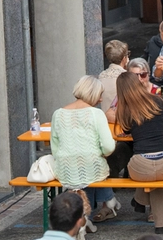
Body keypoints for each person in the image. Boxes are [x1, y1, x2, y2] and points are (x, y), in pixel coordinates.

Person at [115, 73, 163, 232]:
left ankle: (140, 199)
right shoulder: (160, 101)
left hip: (141, 167)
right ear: (139, 82)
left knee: (150, 171)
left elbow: (126, 131)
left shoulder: (125, 110)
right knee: (157, 174)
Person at [48, 75, 119, 221]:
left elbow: (54, 147)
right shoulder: (97, 114)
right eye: (100, 95)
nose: (100, 100)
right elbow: (108, 147)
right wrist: (101, 154)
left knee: (85, 166)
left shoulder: (58, 114)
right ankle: (109, 200)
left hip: (64, 169)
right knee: (95, 165)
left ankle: (89, 213)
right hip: (92, 167)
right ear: (93, 94)